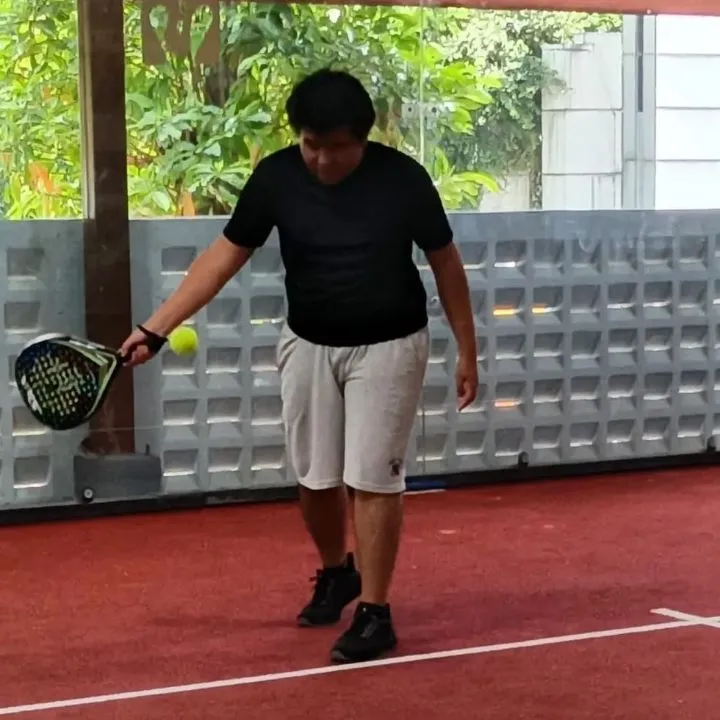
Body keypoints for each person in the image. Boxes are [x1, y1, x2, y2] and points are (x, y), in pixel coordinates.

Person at [120, 68, 478, 664]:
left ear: (362, 139)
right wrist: (155, 328)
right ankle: (338, 571)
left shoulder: (404, 180)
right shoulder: (277, 177)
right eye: (311, 145)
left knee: (372, 478)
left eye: (336, 148)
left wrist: (467, 349)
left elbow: (446, 263)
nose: (321, 160)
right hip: (307, 341)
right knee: (315, 480)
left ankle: (375, 612)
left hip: (390, 344)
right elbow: (223, 256)